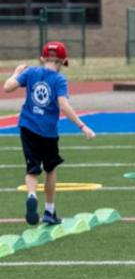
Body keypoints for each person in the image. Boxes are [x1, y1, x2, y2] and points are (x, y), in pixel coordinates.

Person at [3, 42, 95, 226]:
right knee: (50, 169)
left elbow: (7, 87)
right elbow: (64, 106)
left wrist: (16, 73)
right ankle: (49, 211)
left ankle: (31, 195)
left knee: (32, 169)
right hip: (48, 132)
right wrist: (82, 126)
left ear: (43, 58)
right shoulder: (59, 80)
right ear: (62, 61)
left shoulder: (30, 73)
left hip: (27, 127)